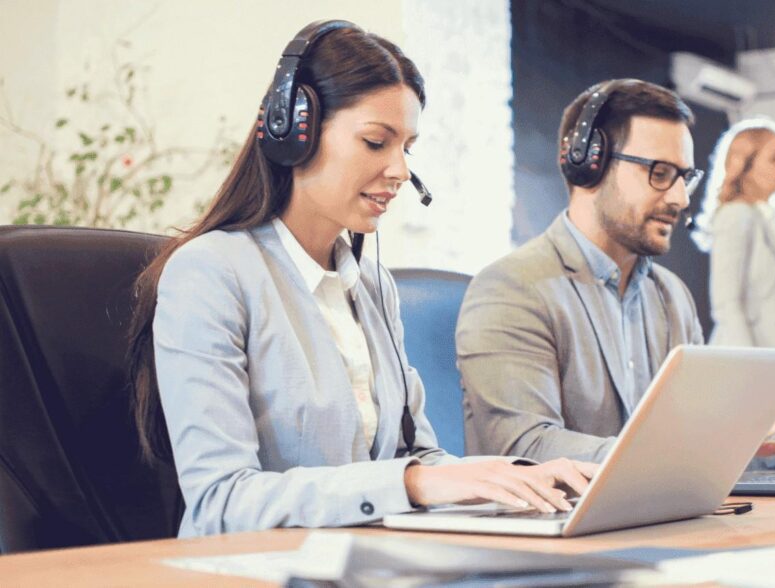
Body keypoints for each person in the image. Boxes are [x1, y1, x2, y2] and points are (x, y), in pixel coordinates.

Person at [126, 20, 593, 538]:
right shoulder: (210, 273)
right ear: (293, 131)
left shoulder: (371, 285)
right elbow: (221, 501)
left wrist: (509, 478)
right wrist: (412, 484)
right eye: (376, 142)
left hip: (367, 560)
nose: (398, 170)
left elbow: (414, 454)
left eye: (406, 148)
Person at [456, 79, 775, 471]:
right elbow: (524, 446)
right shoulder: (511, 288)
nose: (680, 198)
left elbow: (701, 434)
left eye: (684, 177)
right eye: (659, 173)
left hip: (652, 520)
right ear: (589, 163)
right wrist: (684, 453)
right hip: (552, 526)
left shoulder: (672, 296)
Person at [693, 118, 775, 351]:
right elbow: (726, 304)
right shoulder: (736, 215)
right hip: (754, 356)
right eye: (774, 158)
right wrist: (753, 366)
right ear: (744, 166)